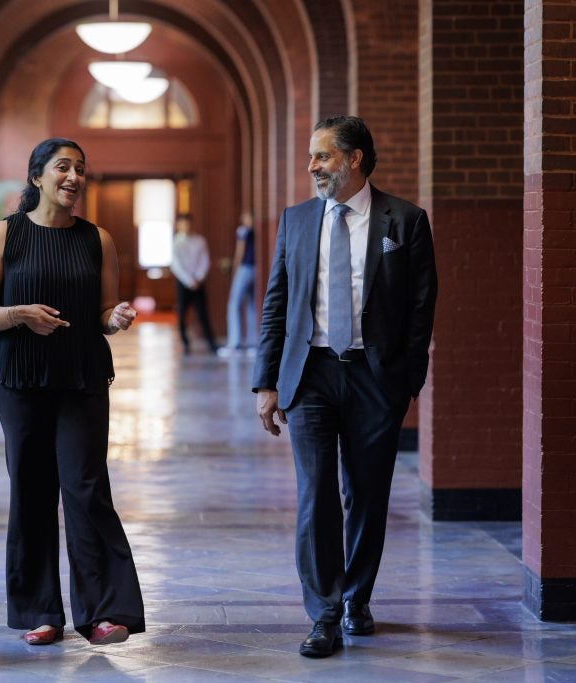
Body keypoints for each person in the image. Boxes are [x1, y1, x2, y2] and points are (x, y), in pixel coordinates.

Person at [252, 115, 437, 658]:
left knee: (366, 494)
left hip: (374, 378)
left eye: (323, 157)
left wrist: (406, 379)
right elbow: (277, 304)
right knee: (316, 495)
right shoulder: (297, 220)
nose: (312, 167)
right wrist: (266, 382)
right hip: (309, 374)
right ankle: (325, 612)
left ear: (355, 159)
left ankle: (358, 597)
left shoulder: (405, 221)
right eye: (312, 158)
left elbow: (422, 308)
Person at [0, 138, 145, 647]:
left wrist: (114, 318)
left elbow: (103, 312)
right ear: (37, 177)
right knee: (31, 487)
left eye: (81, 169)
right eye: (63, 167)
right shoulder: (5, 234)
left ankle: (103, 612)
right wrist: (18, 314)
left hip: (82, 374)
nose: (74, 177)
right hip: (20, 375)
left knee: (86, 486)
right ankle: (39, 610)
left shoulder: (99, 240)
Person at [170, 213, 220, 355]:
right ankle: (185, 343)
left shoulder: (200, 241)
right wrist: (189, 280)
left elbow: (205, 260)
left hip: (198, 283)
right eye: (183, 223)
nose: (186, 226)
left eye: (188, 223)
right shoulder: (176, 242)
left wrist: (198, 277)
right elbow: (176, 265)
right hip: (183, 282)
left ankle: (212, 343)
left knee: (203, 313)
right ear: (178, 225)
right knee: (182, 313)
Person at [219, 210, 257, 355]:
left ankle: (234, 343)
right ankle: (253, 343)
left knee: (234, 303)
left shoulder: (243, 231)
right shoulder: (256, 231)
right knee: (251, 305)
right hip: (255, 269)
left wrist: (235, 267)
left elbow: (239, 252)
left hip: (244, 268)